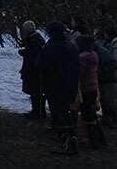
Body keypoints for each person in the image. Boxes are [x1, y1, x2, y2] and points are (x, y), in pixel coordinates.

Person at [38, 22, 80, 155]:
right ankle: (72, 142)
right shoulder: (70, 47)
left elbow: (41, 64)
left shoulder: (50, 47)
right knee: (65, 112)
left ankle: (66, 143)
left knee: (57, 114)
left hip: (54, 85)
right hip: (69, 85)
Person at [76, 35, 106, 149]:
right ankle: (100, 138)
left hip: (85, 88)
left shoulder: (83, 58)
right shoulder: (94, 55)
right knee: (91, 113)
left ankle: (94, 141)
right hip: (93, 87)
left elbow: (79, 74)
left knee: (87, 114)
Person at [19, 20, 45, 120]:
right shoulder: (36, 39)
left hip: (33, 70)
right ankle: (38, 111)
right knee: (36, 92)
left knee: (34, 92)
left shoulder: (32, 41)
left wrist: (24, 53)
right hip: (35, 70)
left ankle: (37, 112)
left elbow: (33, 56)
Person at [95, 38, 117, 128]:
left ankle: (114, 120)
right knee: (103, 100)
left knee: (110, 100)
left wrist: (102, 71)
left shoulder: (102, 53)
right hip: (102, 79)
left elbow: (113, 64)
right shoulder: (98, 51)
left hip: (108, 80)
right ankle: (106, 118)